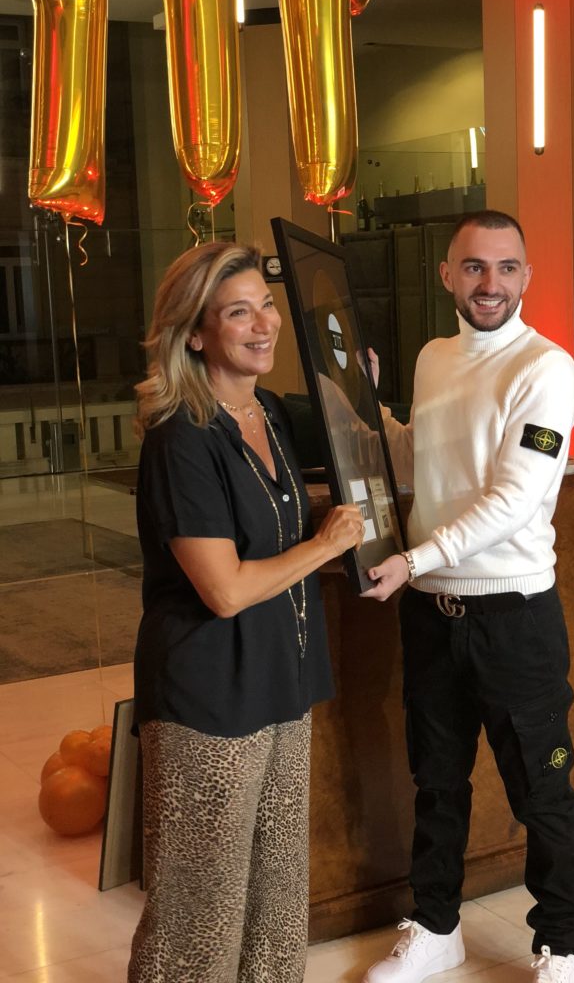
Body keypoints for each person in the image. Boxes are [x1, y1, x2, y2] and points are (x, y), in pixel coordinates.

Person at [362, 211, 574, 983]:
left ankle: (561, 944)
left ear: (526, 277)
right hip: (431, 614)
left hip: (513, 617)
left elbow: (516, 499)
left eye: (506, 267)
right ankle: (437, 928)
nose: (490, 283)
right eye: (474, 267)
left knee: (542, 789)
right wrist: (367, 407)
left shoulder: (547, 370)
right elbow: (416, 458)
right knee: (436, 782)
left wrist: (415, 558)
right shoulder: (433, 358)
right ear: (447, 274)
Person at [127, 241, 364, 983]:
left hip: (281, 678)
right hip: (208, 698)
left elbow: (356, 420)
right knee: (200, 911)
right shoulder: (182, 437)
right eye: (238, 313)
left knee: (277, 894)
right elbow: (223, 589)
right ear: (196, 333)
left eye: (266, 305)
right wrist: (325, 546)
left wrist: (358, 380)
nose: (264, 324)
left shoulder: (267, 411)